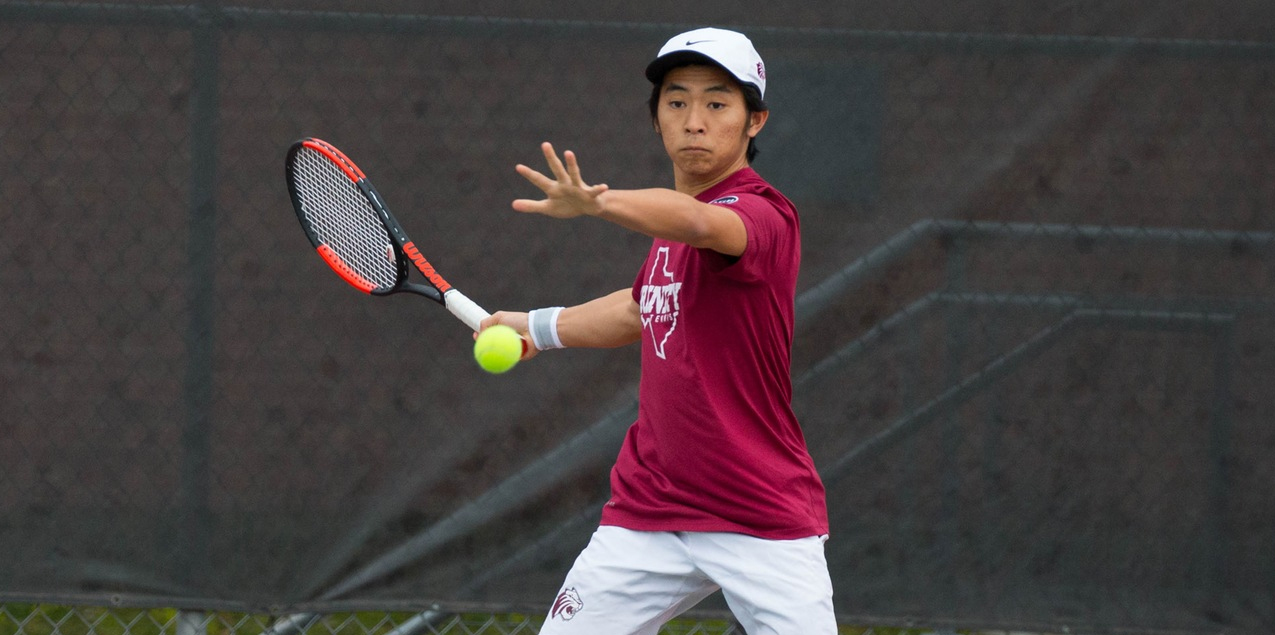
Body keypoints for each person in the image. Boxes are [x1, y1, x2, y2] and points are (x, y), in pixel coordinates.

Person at [480, 27, 836, 634]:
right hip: (651, 508)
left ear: (756, 121)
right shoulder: (668, 231)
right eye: (677, 102)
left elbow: (697, 220)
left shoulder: (762, 215)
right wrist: (538, 328)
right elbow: (640, 309)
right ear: (657, 120)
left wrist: (597, 203)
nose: (694, 120)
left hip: (760, 512)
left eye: (717, 103)